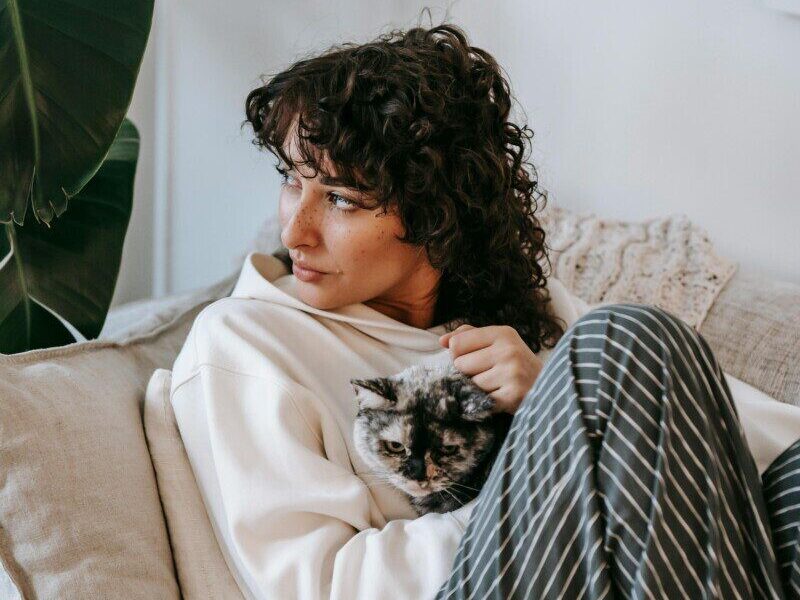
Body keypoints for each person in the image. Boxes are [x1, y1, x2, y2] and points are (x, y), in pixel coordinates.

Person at [169, 21, 800, 599]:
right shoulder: (244, 342)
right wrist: (559, 437)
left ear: (434, 211)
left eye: (340, 198)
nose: (294, 232)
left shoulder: (522, 317)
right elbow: (325, 587)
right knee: (627, 339)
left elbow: (741, 434)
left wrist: (552, 395)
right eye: (289, 178)